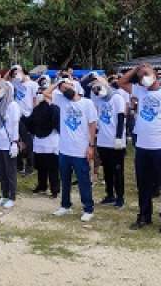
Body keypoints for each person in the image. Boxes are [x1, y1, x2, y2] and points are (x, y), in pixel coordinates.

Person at [119, 64, 161, 234]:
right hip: (142, 146)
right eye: (140, 76)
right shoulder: (140, 91)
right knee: (143, 184)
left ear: (155, 74)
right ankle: (144, 215)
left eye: (146, 73)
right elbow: (122, 82)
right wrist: (136, 69)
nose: (143, 77)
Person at [49, 78, 98, 222]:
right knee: (65, 180)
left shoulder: (87, 103)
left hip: (80, 150)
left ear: (75, 86)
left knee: (83, 180)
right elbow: (45, 93)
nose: (65, 90)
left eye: (67, 87)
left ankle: (88, 208)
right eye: (63, 89)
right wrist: (58, 83)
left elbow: (92, 125)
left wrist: (91, 146)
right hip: (64, 149)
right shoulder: (62, 101)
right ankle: (65, 205)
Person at [92, 77, 127, 208]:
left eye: (98, 88)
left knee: (117, 171)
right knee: (107, 170)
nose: (96, 92)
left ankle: (120, 197)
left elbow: (121, 118)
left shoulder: (117, 98)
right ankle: (110, 195)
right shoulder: (99, 99)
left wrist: (119, 137)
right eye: (94, 90)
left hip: (116, 142)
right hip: (103, 141)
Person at [26, 77, 60, 198]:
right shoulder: (36, 109)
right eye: (38, 92)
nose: (40, 94)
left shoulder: (54, 108)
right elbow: (30, 123)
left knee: (52, 167)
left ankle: (54, 189)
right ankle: (42, 185)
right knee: (41, 166)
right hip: (39, 141)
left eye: (42, 92)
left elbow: (57, 123)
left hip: (51, 141)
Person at [0, 79, 20, 208]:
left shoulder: (13, 105)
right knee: (1, 171)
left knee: (10, 172)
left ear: (7, 90)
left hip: (8, 143)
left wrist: (15, 142)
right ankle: (4, 195)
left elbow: (15, 125)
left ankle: (12, 197)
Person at [10, 65, 38, 176]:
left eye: (17, 73)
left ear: (22, 72)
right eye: (13, 74)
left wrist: (34, 116)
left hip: (29, 116)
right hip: (17, 116)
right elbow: (3, 81)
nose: (15, 75)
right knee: (16, 140)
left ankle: (30, 166)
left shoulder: (32, 84)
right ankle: (19, 165)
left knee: (29, 142)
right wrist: (11, 73)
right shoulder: (14, 83)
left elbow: (35, 100)